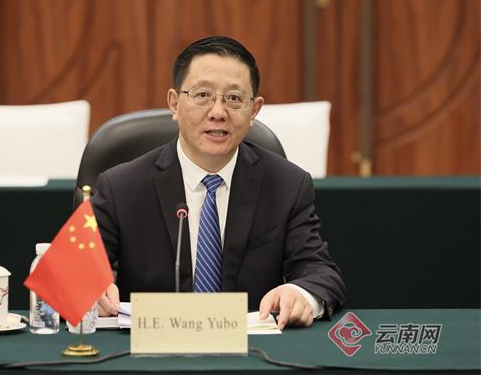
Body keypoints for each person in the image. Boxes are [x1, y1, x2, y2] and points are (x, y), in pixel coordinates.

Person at [91, 36, 345, 329]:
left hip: (252, 348)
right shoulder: (121, 187)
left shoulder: (287, 184)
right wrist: (89, 290)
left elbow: (320, 272)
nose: (218, 112)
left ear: (254, 110)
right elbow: (72, 272)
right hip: (146, 346)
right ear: (174, 103)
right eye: (202, 95)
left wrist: (300, 293)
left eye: (234, 99)